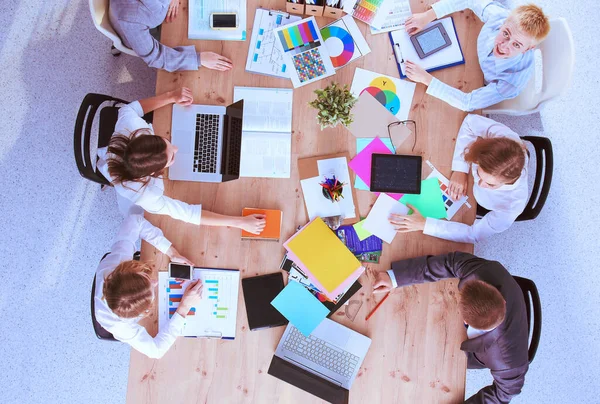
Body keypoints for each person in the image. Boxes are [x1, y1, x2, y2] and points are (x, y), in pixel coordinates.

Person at [97, 87, 266, 234]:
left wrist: (171, 96)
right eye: (172, 157)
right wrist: (239, 222)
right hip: (126, 184)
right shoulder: (146, 196)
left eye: (166, 142)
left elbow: (131, 108)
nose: (177, 149)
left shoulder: (129, 125)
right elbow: (188, 213)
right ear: (154, 174)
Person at [372, 252, 529, 404]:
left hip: (477, 354)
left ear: (466, 320)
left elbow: (505, 394)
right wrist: (394, 278)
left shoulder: (507, 362)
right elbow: (451, 262)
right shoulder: (486, 272)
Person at [390, 114, 528, 243]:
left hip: (476, 203)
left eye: (490, 185)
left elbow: (474, 234)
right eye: (479, 174)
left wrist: (425, 224)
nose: (479, 183)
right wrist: (460, 169)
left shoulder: (512, 206)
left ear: (509, 181)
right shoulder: (505, 139)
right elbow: (470, 122)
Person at [404, 1, 550, 111]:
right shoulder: (500, 16)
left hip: (483, 80)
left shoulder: (509, 84)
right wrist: (428, 16)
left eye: (516, 45)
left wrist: (426, 79)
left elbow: (468, 103)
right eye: (505, 33)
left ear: (528, 49)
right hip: (470, 58)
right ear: (504, 22)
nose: (504, 46)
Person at [95, 214, 202, 359]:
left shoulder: (118, 260)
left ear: (128, 269)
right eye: (153, 293)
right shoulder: (121, 327)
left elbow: (134, 220)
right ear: (144, 311)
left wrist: (172, 252)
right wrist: (184, 308)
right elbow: (156, 351)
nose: (156, 282)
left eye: (146, 278)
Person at [109, 0, 233, 72]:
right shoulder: (130, 18)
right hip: (145, 32)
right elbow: (154, 56)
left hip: (161, 15)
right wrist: (199, 59)